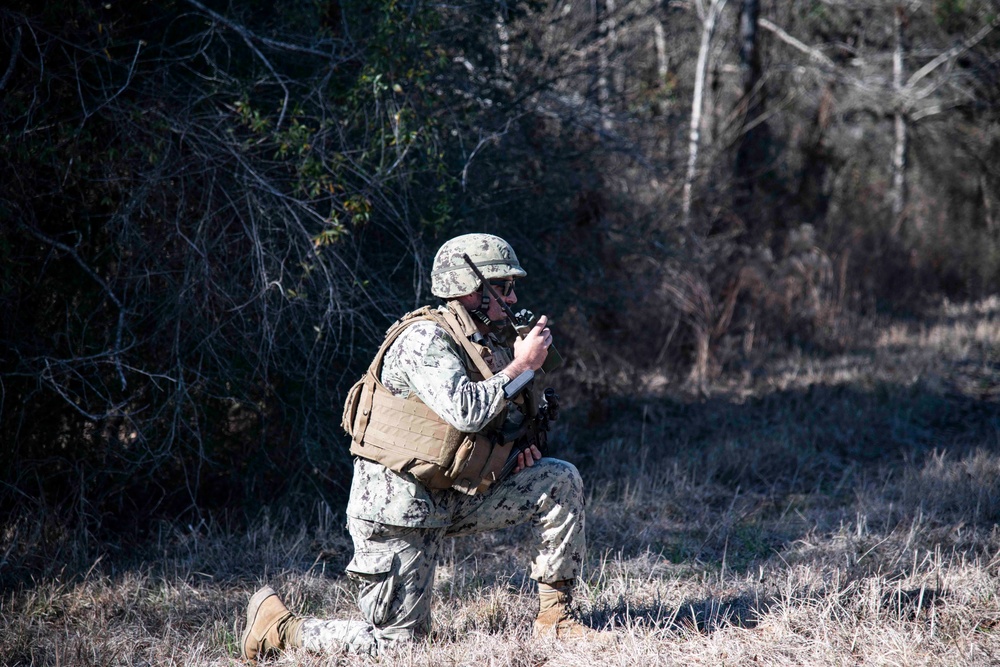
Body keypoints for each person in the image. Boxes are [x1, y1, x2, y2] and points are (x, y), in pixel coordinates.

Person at [240, 233, 597, 660]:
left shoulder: (490, 341)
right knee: (399, 647)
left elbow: (494, 423)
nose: (514, 295)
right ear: (472, 288)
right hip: (399, 511)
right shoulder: (424, 339)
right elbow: (466, 410)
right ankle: (280, 627)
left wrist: (516, 451)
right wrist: (523, 365)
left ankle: (555, 620)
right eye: (504, 286)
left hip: (455, 494)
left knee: (559, 480)